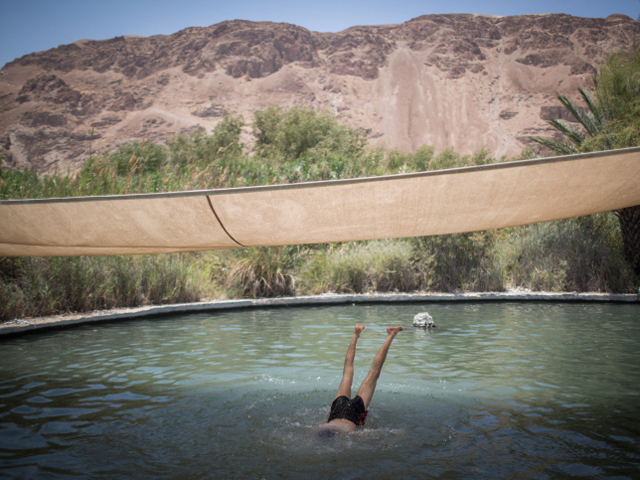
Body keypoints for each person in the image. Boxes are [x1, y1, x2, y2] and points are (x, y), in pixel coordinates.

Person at [316, 323, 403, 437]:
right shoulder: (320, 428)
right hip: (337, 410)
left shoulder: (345, 435)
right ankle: (356, 334)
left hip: (354, 415)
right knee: (347, 371)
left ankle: (391, 335)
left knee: (374, 372)